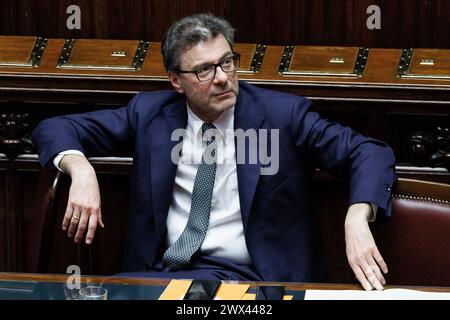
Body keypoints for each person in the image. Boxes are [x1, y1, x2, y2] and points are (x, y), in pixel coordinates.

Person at [32, 13, 396, 291]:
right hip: (162, 277)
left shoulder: (282, 116)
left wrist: (356, 217)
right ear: (177, 80)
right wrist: (80, 169)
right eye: (204, 70)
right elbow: (54, 128)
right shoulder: (150, 114)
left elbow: (369, 152)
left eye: (227, 62)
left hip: (257, 283)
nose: (222, 77)